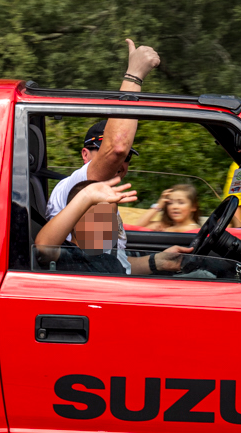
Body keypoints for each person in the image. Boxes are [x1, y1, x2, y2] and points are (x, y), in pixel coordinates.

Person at [45, 38, 161, 271]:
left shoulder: (107, 201)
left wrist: (157, 263)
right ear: (85, 155)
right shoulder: (81, 186)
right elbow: (116, 148)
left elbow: (117, 265)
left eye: (128, 158)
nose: (121, 162)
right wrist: (134, 76)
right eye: (102, 152)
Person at [36, 178, 190, 275]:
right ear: (73, 221)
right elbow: (43, 247)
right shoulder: (66, 255)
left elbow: (125, 267)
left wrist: (158, 261)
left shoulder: (108, 258)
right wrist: (86, 196)